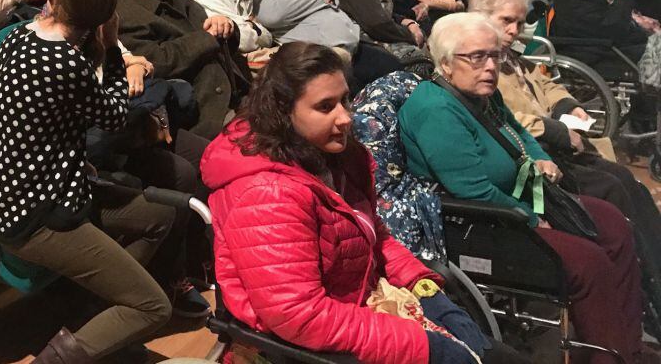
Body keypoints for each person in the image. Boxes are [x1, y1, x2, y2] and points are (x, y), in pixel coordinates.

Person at [202, 42, 527, 364]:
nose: (345, 118)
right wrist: (419, 345)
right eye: (325, 107)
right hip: (307, 343)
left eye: (344, 100)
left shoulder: (334, 158)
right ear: (284, 113)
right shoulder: (267, 194)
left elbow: (375, 235)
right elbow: (299, 316)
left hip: (360, 302)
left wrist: (419, 284)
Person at [398, 13, 644, 363]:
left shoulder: (482, 93)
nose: (490, 66)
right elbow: (472, 191)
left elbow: (521, 133)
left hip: (522, 199)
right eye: (476, 57)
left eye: (494, 55)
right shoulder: (435, 108)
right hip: (481, 224)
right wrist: (529, 219)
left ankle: (626, 345)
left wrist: (541, 157)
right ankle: (607, 356)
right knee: (588, 263)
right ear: (446, 63)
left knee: (612, 222)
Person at [0, 0, 174, 363]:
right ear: (103, 16)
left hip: (14, 194)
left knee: (158, 214)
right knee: (154, 307)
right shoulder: (66, 62)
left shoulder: (15, 37)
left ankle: (98, 319)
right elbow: (115, 115)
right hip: (38, 215)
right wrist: (117, 52)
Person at [470, 0, 661, 263]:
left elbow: (545, 83)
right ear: (480, 18)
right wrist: (556, 130)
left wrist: (567, 105)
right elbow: (498, 118)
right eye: (506, 21)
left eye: (519, 23)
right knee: (613, 185)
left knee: (628, 183)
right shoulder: (477, 64)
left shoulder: (511, 56)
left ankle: (650, 262)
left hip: (552, 143)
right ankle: (637, 265)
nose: (514, 30)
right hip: (530, 156)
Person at [116, 0, 251, 138]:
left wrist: (227, 26)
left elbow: (222, 40)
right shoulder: (123, 12)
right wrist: (208, 38)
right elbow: (157, 61)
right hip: (202, 108)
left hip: (237, 88)